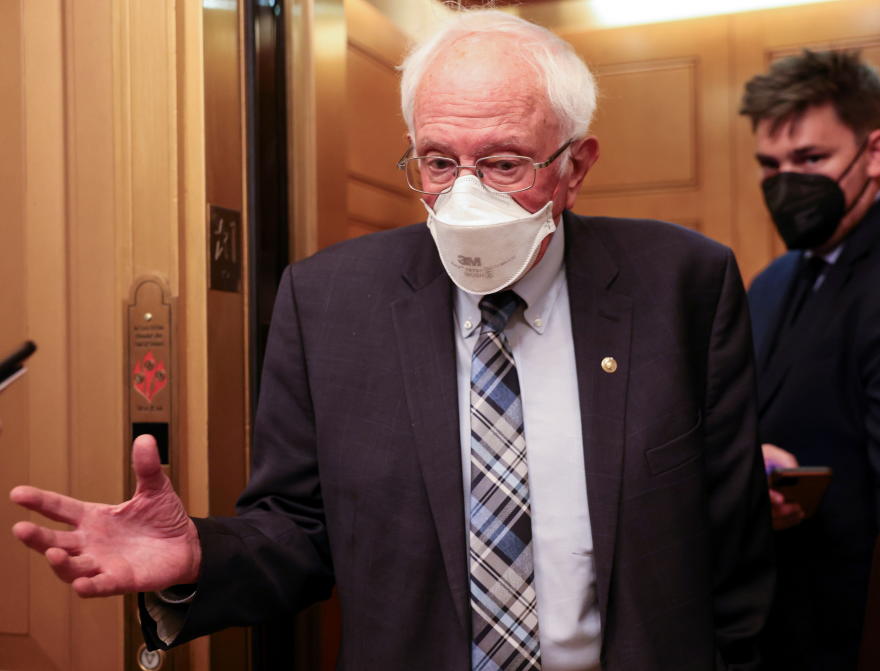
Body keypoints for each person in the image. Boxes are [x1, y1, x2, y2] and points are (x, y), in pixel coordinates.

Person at [11, 10, 774, 670]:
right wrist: (197, 559)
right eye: (440, 162)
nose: (466, 194)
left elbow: (734, 548)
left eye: (504, 163)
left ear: (575, 167)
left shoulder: (683, 284)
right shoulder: (330, 301)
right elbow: (300, 531)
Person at [740, 49, 880, 670]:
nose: (787, 183)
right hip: (779, 618)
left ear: (876, 151)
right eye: (770, 164)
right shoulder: (776, 278)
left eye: (811, 159)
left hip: (862, 625)